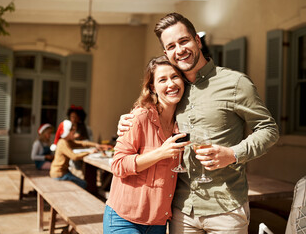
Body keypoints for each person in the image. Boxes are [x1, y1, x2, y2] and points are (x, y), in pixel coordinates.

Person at [117, 13, 279, 233]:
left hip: (226, 207)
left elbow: (268, 129)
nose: (180, 50)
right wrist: (126, 120)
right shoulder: (174, 88)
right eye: (171, 46)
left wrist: (233, 154)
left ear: (197, 40)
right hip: (181, 210)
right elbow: (149, 114)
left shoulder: (235, 83)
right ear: (166, 53)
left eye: (184, 41)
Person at [103, 55, 190, 234]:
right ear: (153, 87)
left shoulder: (182, 123)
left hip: (158, 223)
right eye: (162, 80)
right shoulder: (140, 117)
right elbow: (118, 165)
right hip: (124, 219)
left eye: (175, 77)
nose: (171, 84)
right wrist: (160, 153)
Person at [50, 120, 110, 189]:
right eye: (73, 132)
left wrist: (95, 145)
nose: (75, 134)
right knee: (83, 184)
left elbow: (81, 143)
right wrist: (89, 152)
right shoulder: (63, 143)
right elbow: (74, 157)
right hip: (59, 174)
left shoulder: (67, 141)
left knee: (82, 182)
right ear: (68, 132)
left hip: (62, 172)